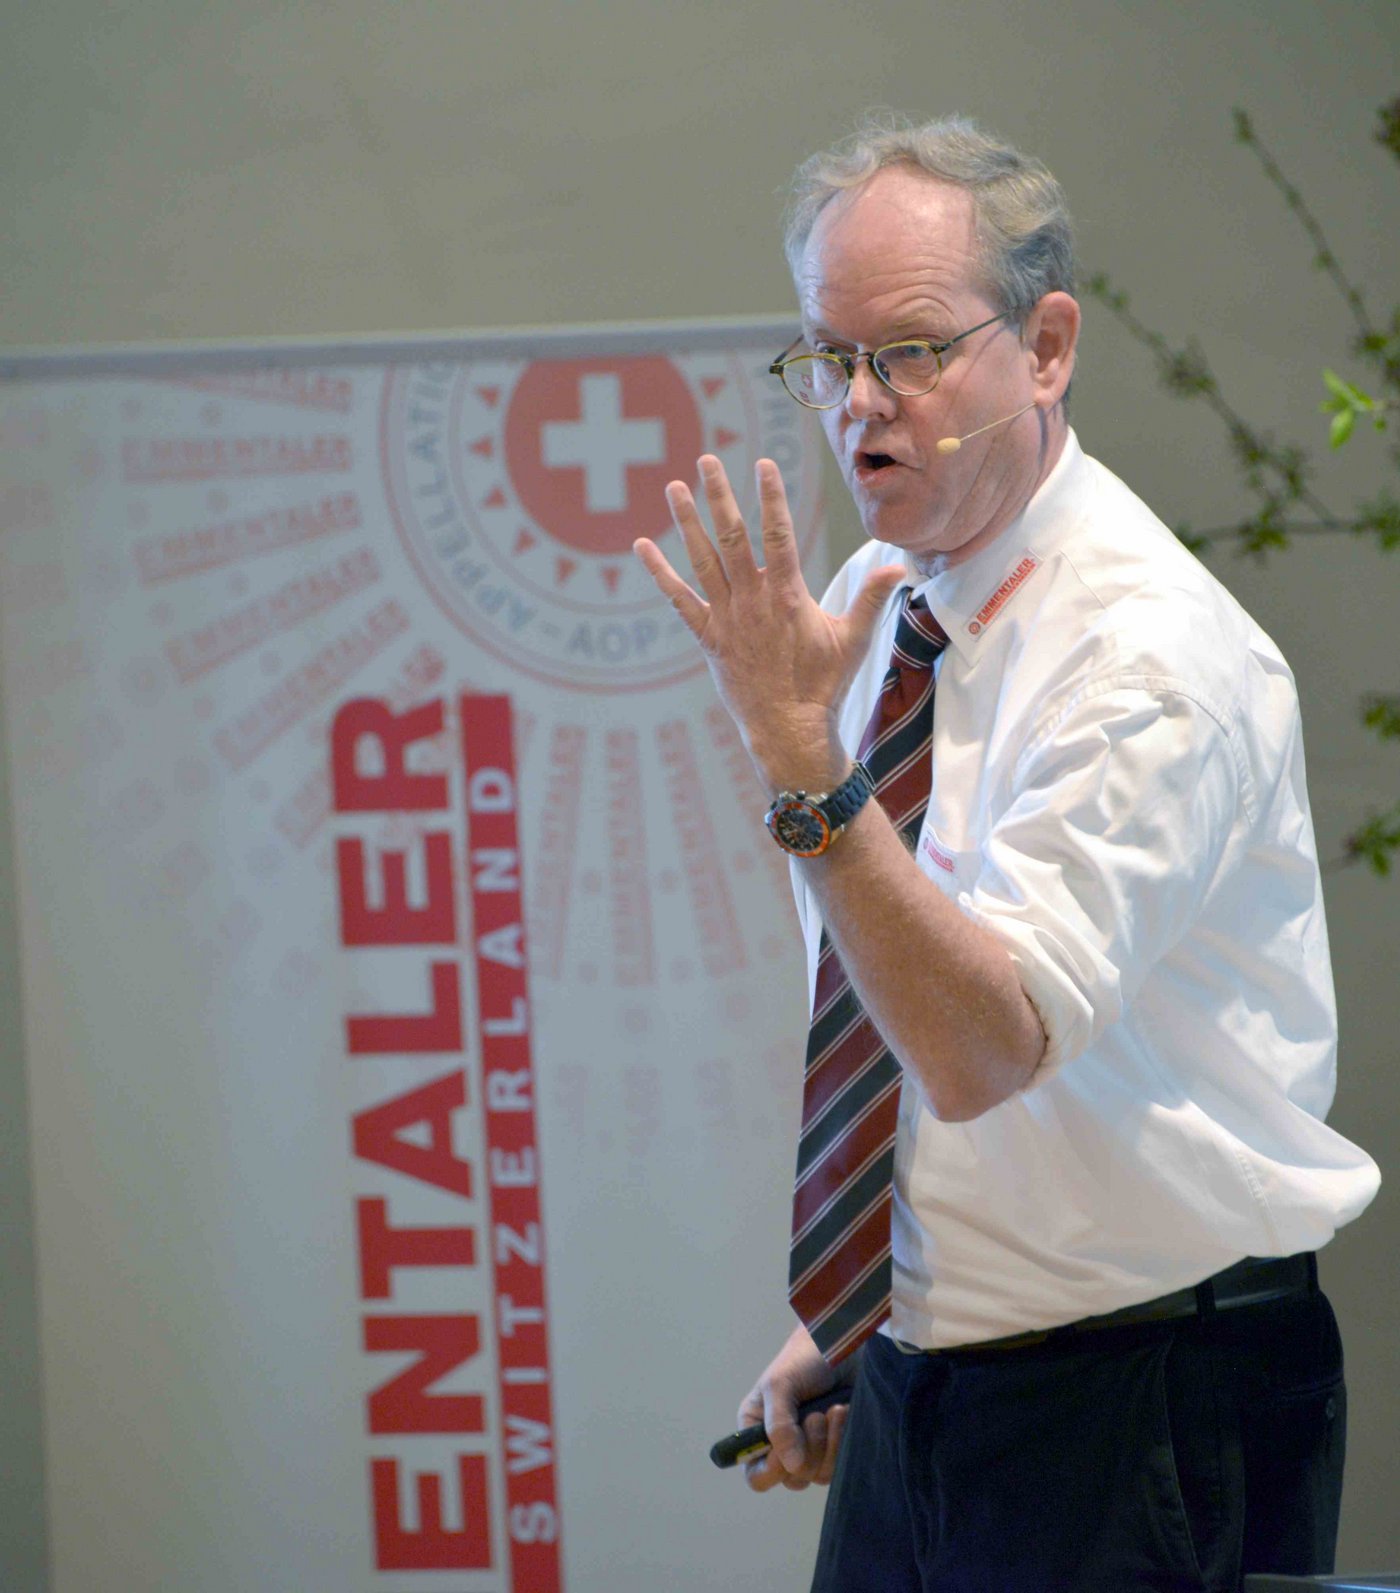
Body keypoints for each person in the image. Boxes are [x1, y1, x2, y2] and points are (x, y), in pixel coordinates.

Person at [634, 114, 1381, 1591]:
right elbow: (916, 1051)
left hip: (1149, 1389)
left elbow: (984, 1048)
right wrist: (878, 1309)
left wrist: (807, 772)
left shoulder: (1144, 657)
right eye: (827, 356)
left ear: (1046, 348)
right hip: (935, 1364)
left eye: (911, 351)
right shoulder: (876, 598)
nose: (860, 405)